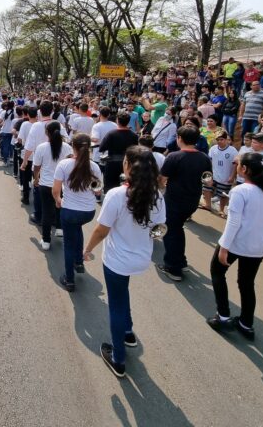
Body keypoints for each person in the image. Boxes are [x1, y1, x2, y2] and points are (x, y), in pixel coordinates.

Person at [82, 146, 165, 377]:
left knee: (116, 303)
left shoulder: (117, 195)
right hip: (141, 258)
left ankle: (118, 358)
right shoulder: (157, 195)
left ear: (128, 165)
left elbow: (101, 230)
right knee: (122, 293)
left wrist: (87, 250)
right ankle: (127, 332)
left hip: (117, 259)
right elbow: (159, 230)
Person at [207, 153, 263, 340]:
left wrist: (224, 247)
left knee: (217, 273)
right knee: (247, 283)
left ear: (245, 170)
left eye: (238, 164)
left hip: (235, 243)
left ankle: (223, 316)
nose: (236, 165)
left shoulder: (241, 191)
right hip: (257, 247)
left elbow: (233, 223)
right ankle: (246, 323)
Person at [157, 126, 212, 282]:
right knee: (177, 229)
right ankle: (181, 262)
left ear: (179, 138)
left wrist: (161, 188)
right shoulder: (204, 158)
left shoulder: (174, 156)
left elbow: (162, 178)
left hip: (174, 200)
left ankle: (172, 267)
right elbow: (208, 179)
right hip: (192, 201)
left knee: (169, 232)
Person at [53, 133, 102, 291]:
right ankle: (79, 262)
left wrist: (58, 200)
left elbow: (56, 190)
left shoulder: (64, 164)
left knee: (68, 243)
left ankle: (69, 279)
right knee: (77, 229)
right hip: (88, 212)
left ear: (72, 146)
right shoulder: (94, 166)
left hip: (70, 211)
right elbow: (97, 191)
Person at [33, 121, 72, 251]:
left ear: (47, 133)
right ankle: (59, 229)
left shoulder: (41, 147)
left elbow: (36, 167)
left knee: (46, 211)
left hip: (45, 184)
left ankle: (46, 240)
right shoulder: (67, 147)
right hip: (61, 184)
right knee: (59, 205)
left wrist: (36, 178)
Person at [201, 131, 238, 218]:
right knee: (206, 188)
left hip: (225, 177)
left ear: (226, 140)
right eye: (218, 139)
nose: (219, 141)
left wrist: (232, 176)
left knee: (223, 194)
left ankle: (221, 210)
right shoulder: (213, 148)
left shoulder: (232, 151)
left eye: (221, 139)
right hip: (213, 175)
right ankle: (208, 205)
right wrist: (209, 174)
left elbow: (236, 164)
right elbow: (209, 162)